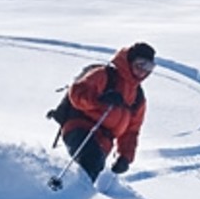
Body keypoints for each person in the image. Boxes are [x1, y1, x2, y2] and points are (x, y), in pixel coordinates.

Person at [61, 42, 154, 182]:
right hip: (81, 127)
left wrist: (125, 157)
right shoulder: (104, 75)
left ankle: (70, 195)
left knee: (94, 166)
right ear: (129, 61)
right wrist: (100, 100)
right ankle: (66, 197)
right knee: (90, 160)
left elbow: (131, 131)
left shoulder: (138, 97)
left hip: (105, 141)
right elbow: (77, 93)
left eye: (148, 66)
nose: (143, 70)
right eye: (140, 64)